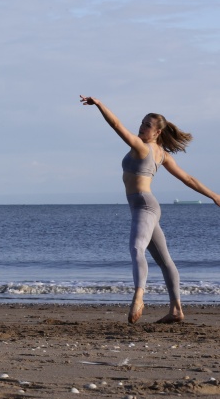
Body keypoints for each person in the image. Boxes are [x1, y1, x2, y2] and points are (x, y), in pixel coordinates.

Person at [80, 95, 220, 323]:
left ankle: (138, 296)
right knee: (165, 261)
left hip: (144, 206)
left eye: (147, 125)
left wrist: (99, 104)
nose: (141, 127)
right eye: (142, 122)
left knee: (137, 248)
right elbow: (189, 179)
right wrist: (214, 195)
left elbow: (116, 125)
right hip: (148, 207)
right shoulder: (161, 154)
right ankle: (176, 310)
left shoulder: (142, 148)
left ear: (156, 133)